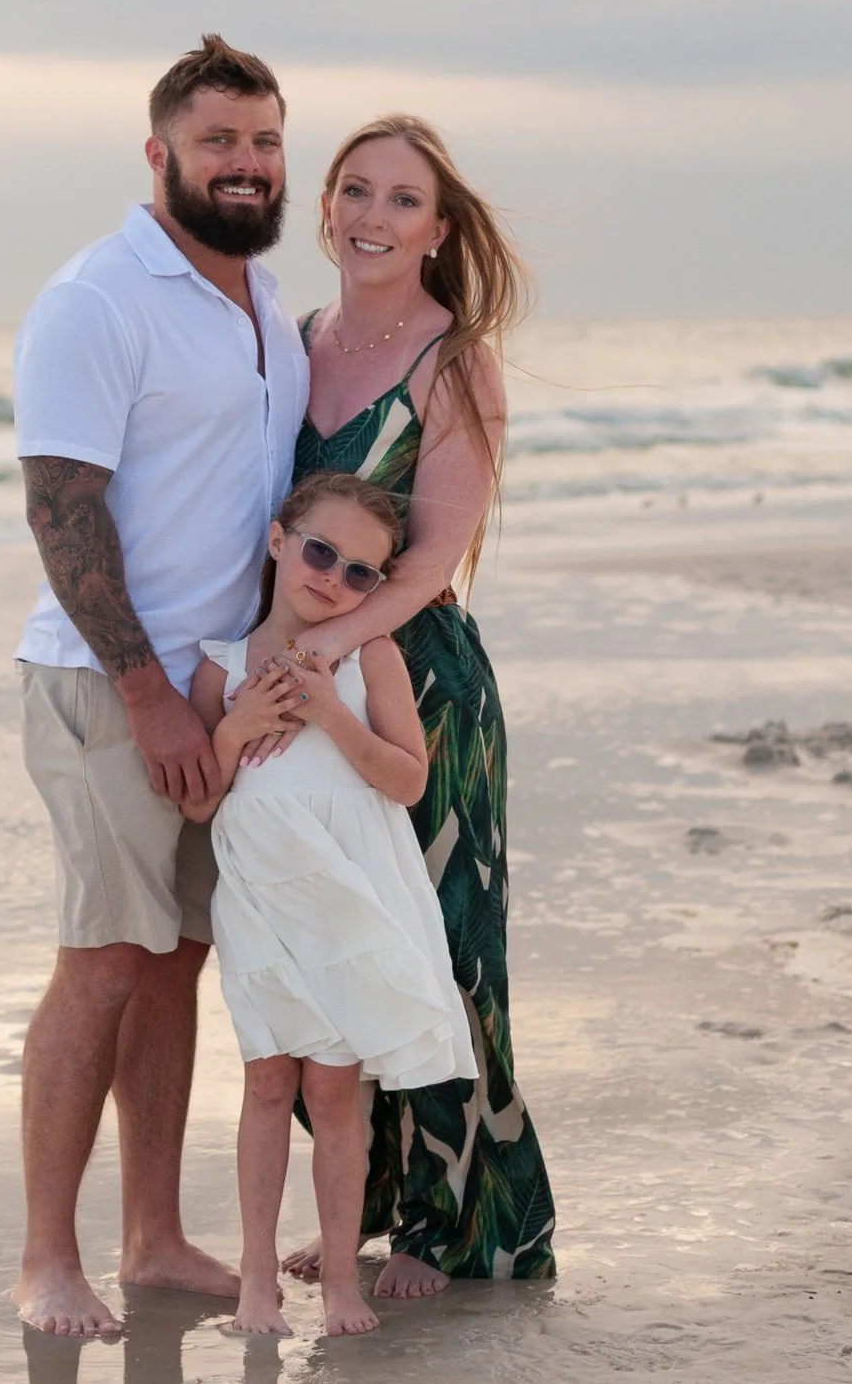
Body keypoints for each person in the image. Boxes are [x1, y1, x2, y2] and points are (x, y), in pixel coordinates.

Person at [9, 35, 309, 1338]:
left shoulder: (261, 307)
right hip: (106, 685)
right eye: (218, 145)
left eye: (263, 143)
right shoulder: (97, 299)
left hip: (218, 694)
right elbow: (61, 507)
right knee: (105, 958)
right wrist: (146, 694)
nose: (244, 168)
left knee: (178, 958)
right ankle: (46, 1259)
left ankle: (153, 1236)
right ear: (160, 158)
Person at [269, 114, 558, 1292]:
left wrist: (324, 646)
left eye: (402, 200)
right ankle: (370, 1210)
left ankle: (465, 1222)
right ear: (325, 208)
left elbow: (433, 555)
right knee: (336, 936)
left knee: (439, 941)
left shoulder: (455, 362)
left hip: (419, 683)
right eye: (355, 191)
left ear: (438, 230)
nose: (372, 217)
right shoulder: (290, 343)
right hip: (308, 678)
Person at [179, 471, 478, 1339]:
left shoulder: (369, 657)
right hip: (264, 901)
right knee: (268, 1082)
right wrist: (235, 728)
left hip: (346, 901)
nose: (334, 579)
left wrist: (327, 713)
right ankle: (257, 1284)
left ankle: (343, 1279)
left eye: (360, 573)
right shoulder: (220, 666)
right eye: (319, 552)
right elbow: (199, 805)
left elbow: (409, 777)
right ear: (277, 541)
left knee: (337, 1091)